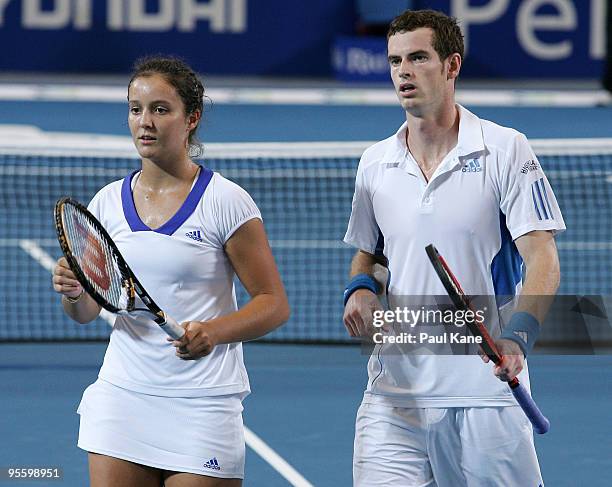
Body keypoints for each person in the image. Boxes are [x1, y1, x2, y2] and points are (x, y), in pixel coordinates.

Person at [342, 9, 564, 486]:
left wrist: (518, 336)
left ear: (451, 65)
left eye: (419, 57)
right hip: (394, 392)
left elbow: (542, 257)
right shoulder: (375, 163)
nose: (404, 71)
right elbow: (371, 253)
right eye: (395, 60)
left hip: (485, 391)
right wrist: (360, 288)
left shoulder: (505, 149)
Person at [52, 56, 290, 487]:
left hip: (203, 403)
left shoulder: (227, 202)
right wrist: (73, 292)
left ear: (191, 118)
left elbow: (273, 304)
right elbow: (88, 312)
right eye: (135, 108)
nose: (145, 121)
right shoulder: (106, 202)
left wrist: (213, 332)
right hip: (123, 396)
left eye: (161, 109)